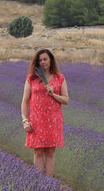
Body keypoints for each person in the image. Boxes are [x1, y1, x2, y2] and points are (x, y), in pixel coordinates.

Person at [21, 48, 68, 176]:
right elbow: (25, 101)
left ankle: (49, 183)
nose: (43, 62)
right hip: (36, 120)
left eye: (45, 59)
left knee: (50, 152)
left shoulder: (59, 78)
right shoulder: (31, 78)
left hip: (53, 119)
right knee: (38, 152)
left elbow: (66, 100)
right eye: (40, 60)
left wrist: (53, 94)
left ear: (51, 60)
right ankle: (39, 183)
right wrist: (25, 120)